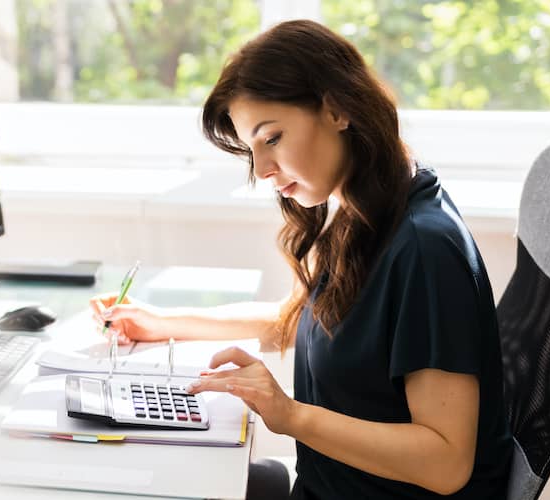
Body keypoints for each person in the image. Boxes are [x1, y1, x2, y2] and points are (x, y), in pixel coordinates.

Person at [90, 20, 512, 499]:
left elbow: (445, 462)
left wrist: (289, 415)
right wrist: (164, 323)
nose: (263, 171)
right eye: (251, 150)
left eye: (272, 138)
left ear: (336, 110)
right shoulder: (364, 206)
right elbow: (305, 320)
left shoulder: (423, 250)